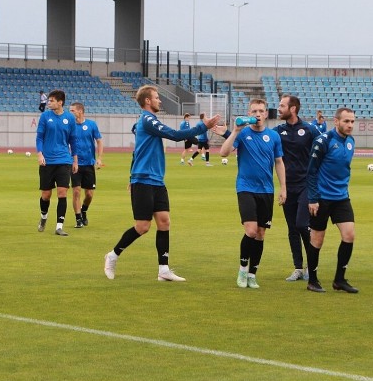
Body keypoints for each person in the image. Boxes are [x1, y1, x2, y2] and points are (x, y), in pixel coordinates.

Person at [103, 85, 220, 281]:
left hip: (157, 180)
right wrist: (203, 127)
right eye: (156, 97)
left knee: (164, 222)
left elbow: (137, 151)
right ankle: (112, 255)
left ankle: (163, 270)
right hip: (143, 179)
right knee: (142, 226)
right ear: (147, 101)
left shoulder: (151, 121)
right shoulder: (147, 120)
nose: (159, 100)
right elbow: (174, 135)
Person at [220, 99, 287, 289]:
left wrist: (283, 188)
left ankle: (252, 274)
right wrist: (234, 131)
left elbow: (279, 162)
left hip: (266, 190)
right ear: (249, 113)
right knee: (250, 230)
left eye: (261, 111)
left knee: (260, 234)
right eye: (254, 111)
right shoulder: (243, 133)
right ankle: (242, 269)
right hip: (246, 188)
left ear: (266, 114)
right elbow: (224, 153)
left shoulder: (273, 136)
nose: (258, 114)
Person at [306, 107, 358, 294]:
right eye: (346, 121)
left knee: (349, 235)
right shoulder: (323, 141)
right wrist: (312, 198)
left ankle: (339, 280)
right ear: (336, 122)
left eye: (352, 121)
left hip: (341, 197)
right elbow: (311, 171)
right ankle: (312, 280)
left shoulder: (351, 142)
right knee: (317, 240)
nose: (350, 125)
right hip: (321, 198)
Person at [276, 95, 321, 281]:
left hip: (305, 185)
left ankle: (312, 265)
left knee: (302, 224)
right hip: (287, 186)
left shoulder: (310, 130)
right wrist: (228, 134)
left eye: (282, 105)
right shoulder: (278, 131)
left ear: (293, 109)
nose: (278, 109)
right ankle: (298, 268)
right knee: (292, 228)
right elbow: (256, 138)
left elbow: (323, 148)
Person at [36, 90, 77, 236]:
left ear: (60, 102)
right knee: (46, 195)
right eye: (49, 100)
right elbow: (39, 137)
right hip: (47, 161)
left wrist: (75, 160)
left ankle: (59, 226)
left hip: (64, 161)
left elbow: (73, 140)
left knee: (62, 193)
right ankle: (43, 217)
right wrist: (40, 154)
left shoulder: (70, 118)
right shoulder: (45, 117)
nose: (49, 103)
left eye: (52, 101)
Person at [69, 102, 103, 228]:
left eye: (72, 110)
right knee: (76, 191)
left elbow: (99, 141)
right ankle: (78, 219)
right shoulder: (69, 126)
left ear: (80, 111)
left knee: (89, 194)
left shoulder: (91, 125)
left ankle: (83, 210)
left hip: (89, 164)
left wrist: (99, 158)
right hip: (75, 164)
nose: (70, 113)